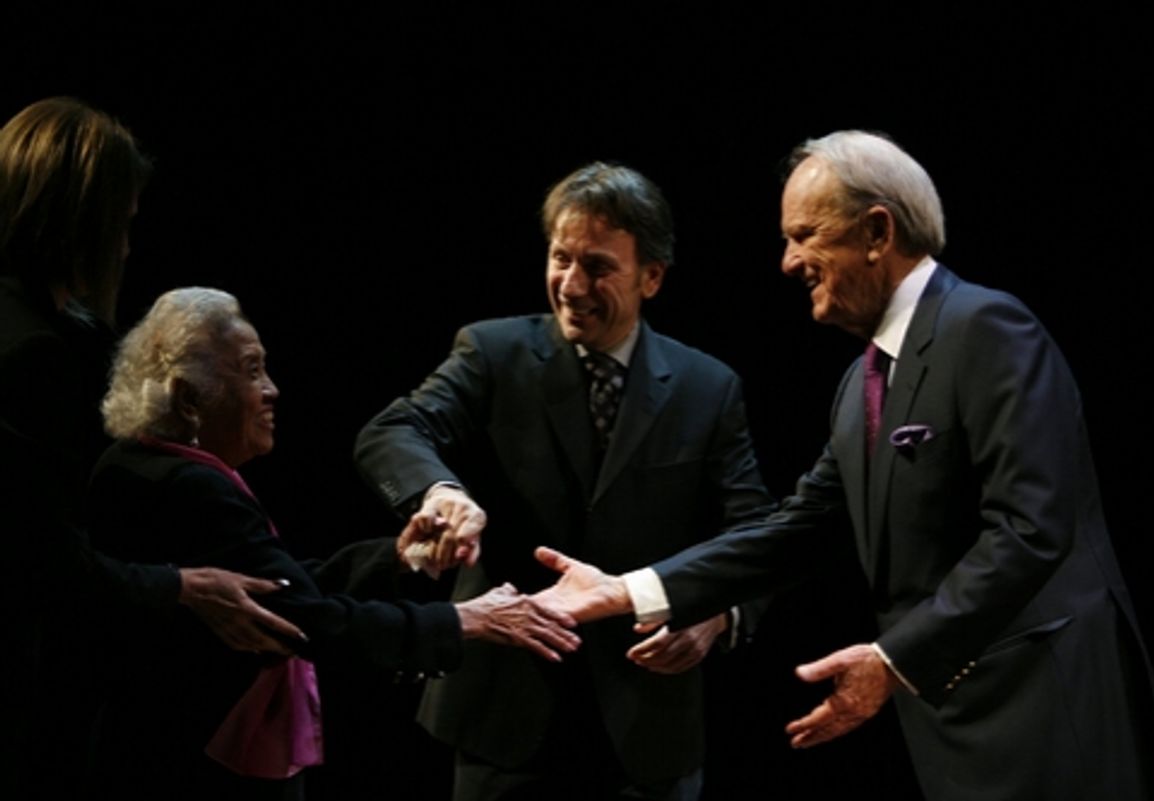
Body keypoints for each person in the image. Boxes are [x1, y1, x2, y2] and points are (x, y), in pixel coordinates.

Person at [533, 131, 1154, 801]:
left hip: (1045, 711)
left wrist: (894, 659)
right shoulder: (858, 386)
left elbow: (1030, 529)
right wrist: (629, 590)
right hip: (954, 728)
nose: (788, 262)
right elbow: (797, 529)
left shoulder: (986, 327)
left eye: (804, 235)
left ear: (877, 232)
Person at [354, 162, 776, 800]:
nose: (572, 286)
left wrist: (717, 615)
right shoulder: (492, 353)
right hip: (503, 716)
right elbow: (394, 428)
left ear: (652, 277)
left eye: (598, 267)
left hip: (648, 722)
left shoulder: (708, 388)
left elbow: (755, 531)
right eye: (560, 259)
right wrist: (441, 492)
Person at [83, 286, 579, 799]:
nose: (272, 390)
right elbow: (307, 623)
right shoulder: (189, 487)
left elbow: (284, 591)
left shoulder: (144, 464)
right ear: (190, 398)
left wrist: (402, 557)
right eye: (253, 371)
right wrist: (466, 620)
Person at [0, 97, 303, 799]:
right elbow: (40, 563)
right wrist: (183, 586)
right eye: (123, 225)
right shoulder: (31, 356)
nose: (126, 249)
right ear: (83, 221)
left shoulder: (51, 331)